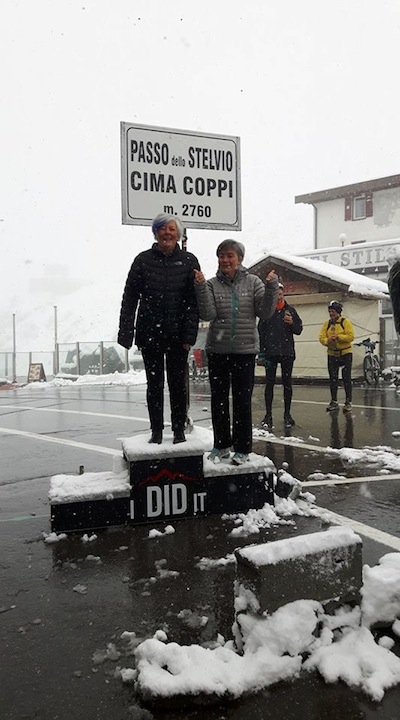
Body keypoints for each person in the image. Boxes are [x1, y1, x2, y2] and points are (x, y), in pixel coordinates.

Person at [194, 240, 278, 465]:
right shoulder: (211, 284)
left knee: (242, 401)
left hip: (245, 350)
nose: (225, 260)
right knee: (218, 401)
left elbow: (265, 312)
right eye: (221, 256)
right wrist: (201, 287)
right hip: (217, 350)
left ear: (239, 258)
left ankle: (242, 449)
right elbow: (208, 314)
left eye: (230, 255)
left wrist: (272, 288)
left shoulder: (253, 282)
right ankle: (221, 446)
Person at [118, 213, 200, 444]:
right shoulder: (142, 260)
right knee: (154, 385)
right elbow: (129, 298)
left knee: (177, 385)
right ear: (155, 233)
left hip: (178, 335)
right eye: (162, 229)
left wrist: (189, 335)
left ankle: (178, 430)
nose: (167, 233)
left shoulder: (189, 261)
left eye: (172, 229)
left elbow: (194, 303)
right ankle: (156, 432)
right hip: (149, 333)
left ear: (178, 234)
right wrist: (126, 332)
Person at [258, 283, 303, 430]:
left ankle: (287, 414)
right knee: (269, 384)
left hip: (287, 353)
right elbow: (261, 333)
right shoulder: (267, 312)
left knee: (287, 384)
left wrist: (292, 323)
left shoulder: (290, 311)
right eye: (276, 293)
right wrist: (262, 353)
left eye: (281, 293)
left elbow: (299, 330)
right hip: (271, 354)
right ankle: (268, 415)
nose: (279, 295)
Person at [319, 300, 355, 413]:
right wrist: (327, 340)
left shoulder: (345, 322)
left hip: (345, 353)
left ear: (338, 312)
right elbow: (321, 337)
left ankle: (348, 401)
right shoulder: (327, 324)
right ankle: (334, 401)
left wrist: (339, 337)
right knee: (333, 378)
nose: (331, 314)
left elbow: (350, 336)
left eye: (333, 311)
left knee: (346, 378)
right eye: (330, 311)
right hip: (332, 353)